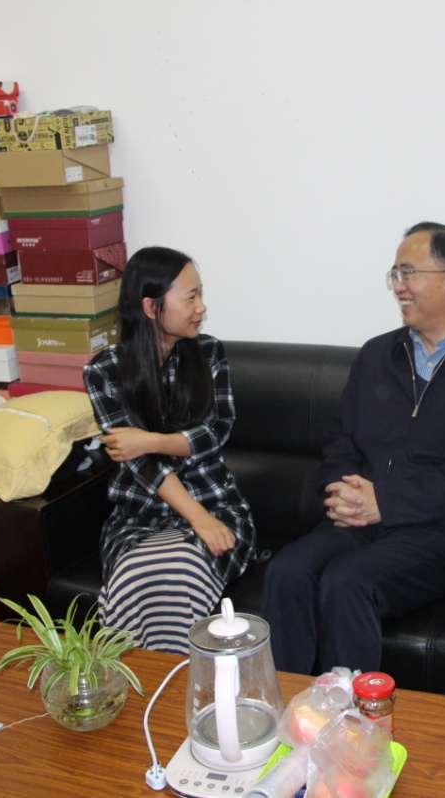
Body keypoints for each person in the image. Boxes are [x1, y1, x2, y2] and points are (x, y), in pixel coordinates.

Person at [261, 222, 445, 674]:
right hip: (359, 520)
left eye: (409, 273)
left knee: (348, 581)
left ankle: (351, 716)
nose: (398, 287)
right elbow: (341, 439)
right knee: (287, 572)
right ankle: (288, 708)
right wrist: (344, 493)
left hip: (442, 535)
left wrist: (384, 502)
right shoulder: (376, 356)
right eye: (395, 275)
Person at [83, 246, 256, 654]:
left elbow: (215, 431)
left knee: (182, 566)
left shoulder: (209, 353)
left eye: (200, 294)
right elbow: (141, 465)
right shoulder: (103, 371)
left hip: (216, 506)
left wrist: (150, 440)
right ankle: (139, 677)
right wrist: (195, 517)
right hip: (138, 519)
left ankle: (181, 678)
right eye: (191, 296)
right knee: (138, 572)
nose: (201, 307)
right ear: (150, 306)